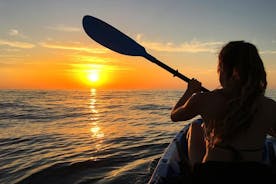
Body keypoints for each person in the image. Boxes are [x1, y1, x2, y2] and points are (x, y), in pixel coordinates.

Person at [170, 41, 276, 180]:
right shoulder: (269, 106)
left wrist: (190, 91)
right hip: (254, 175)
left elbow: (175, 115)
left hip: (211, 175)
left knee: (195, 127)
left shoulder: (203, 100)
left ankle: (194, 170)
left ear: (223, 70)